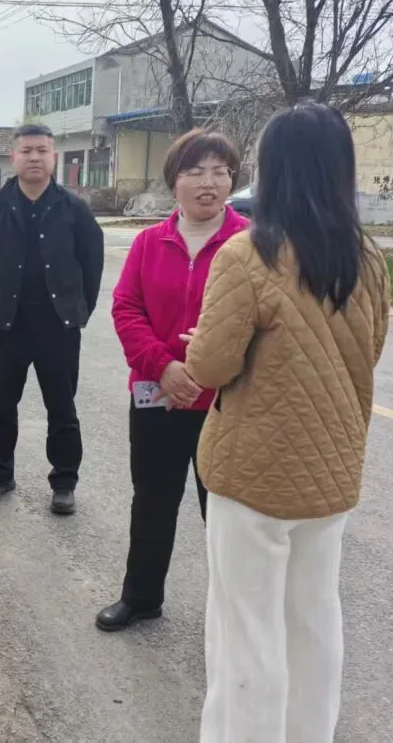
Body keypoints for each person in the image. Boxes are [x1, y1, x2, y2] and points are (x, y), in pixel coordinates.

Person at [184, 101, 389, 742]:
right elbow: (371, 349)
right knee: (314, 619)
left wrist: (199, 345)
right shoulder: (367, 257)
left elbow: (211, 365)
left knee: (246, 633)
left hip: (252, 475)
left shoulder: (247, 254)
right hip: (332, 471)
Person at [96, 130, 248, 633]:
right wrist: (163, 366)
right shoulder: (148, 243)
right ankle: (141, 597)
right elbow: (126, 308)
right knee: (152, 500)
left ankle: (233, 621)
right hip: (156, 395)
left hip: (225, 405)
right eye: (195, 171)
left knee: (225, 514)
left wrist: (205, 371)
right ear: (174, 181)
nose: (209, 183)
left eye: (220, 172)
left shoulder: (253, 245)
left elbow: (266, 324)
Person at [0, 123, 104, 515]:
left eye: (42, 150)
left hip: (58, 327)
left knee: (62, 406)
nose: (34, 158)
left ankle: (64, 481)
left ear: (53, 157)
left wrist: (80, 311)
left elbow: (92, 264)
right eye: (26, 151)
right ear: (13, 157)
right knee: (1, 405)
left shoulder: (74, 210)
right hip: (7, 327)